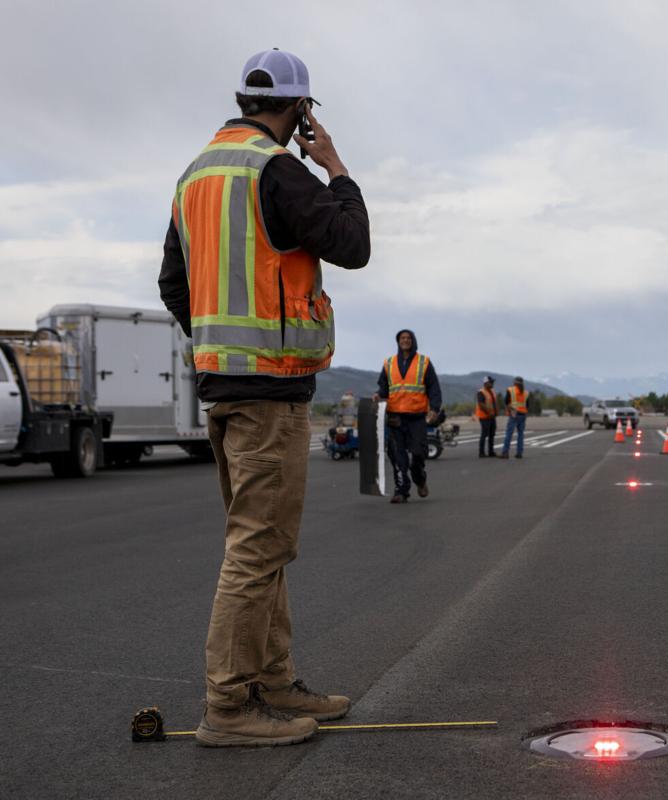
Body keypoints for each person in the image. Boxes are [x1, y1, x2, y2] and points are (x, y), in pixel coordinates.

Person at [157, 49, 368, 747]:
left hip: (224, 387)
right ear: (301, 109)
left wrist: (217, 346)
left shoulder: (196, 175)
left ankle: (273, 680)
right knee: (256, 551)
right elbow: (352, 243)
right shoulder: (274, 170)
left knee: (264, 545)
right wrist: (334, 166)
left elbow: (172, 285)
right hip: (269, 392)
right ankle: (228, 707)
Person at [374, 329, 442, 502]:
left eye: (408, 338)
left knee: (418, 454)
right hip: (395, 417)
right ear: (398, 341)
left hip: (417, 417)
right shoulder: (389, 363)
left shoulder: (423, 362)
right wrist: (378, 395)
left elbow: (433, 387)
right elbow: (384, 386)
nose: (405, 340)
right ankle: (401, 491)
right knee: (397, 455)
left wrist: (434, 408)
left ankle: (420, 479)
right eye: (402, 338)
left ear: (413, 341)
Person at [499, 376, 529, 459]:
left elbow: (506, 402)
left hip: (514, 414)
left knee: (509, 434)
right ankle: (519, 453)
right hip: (523, 415)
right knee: (520, 434)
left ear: (515, 382)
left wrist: (511, 411)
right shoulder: (526, 393)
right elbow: (527, 405)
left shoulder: (511, 390)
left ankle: (505, 453)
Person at [474, 375, 499, 458]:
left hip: (492, 417)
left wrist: (495, 412)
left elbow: (493, 403)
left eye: (492, 382)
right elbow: (481, 404)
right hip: (485, 417)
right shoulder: (481, 392)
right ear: (486, 383)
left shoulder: (492, 391)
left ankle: (491, 451)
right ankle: (481, 453)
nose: (492, 384)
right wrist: (489, 412)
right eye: (491, 382)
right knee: (484, 434)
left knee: (492, 434)